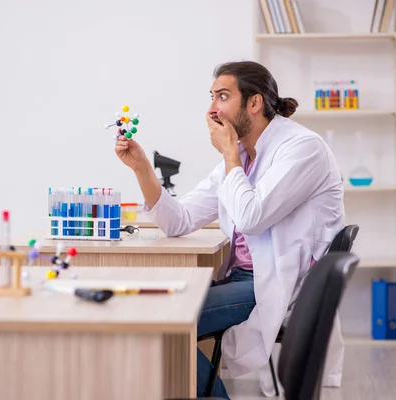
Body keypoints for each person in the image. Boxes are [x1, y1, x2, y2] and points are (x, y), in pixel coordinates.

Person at [114, 61, 345, 398]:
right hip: (245, 279)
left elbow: (251, 217)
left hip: (276, 283)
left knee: (161, 323)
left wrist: (228, 155)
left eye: (223, 96)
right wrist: (142, 169)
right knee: (155, 317)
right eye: (211, 97)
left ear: (254, 103)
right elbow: (179, 220)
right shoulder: (240, 155)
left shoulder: (301, 148)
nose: (212, 109)